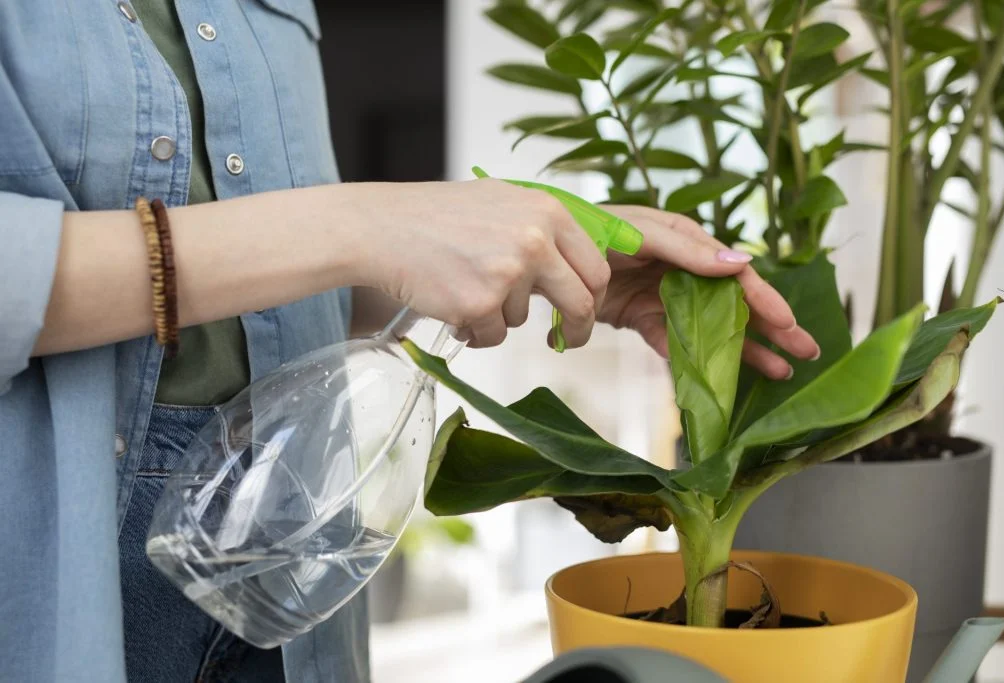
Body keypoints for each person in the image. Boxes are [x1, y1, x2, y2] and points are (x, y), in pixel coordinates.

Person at [0, 2, 819, 682]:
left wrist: (532, 251)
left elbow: (286, 291)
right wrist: (365, 221)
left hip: (295, 565)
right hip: (56, 572)